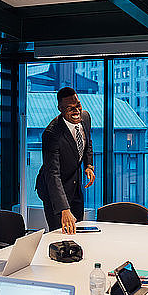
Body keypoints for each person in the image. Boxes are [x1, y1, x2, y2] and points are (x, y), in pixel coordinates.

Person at [36, 87, 95, 234]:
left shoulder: (85, 117)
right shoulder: (51, 134)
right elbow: (52, 174)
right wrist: (64, 208)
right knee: (59, 235)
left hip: (74, 185)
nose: (76, 111)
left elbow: (88, 142)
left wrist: (89, 165)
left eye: (78, 106)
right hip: (54, 191)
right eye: (70, 108)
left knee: (78, 230)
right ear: (60, 109)